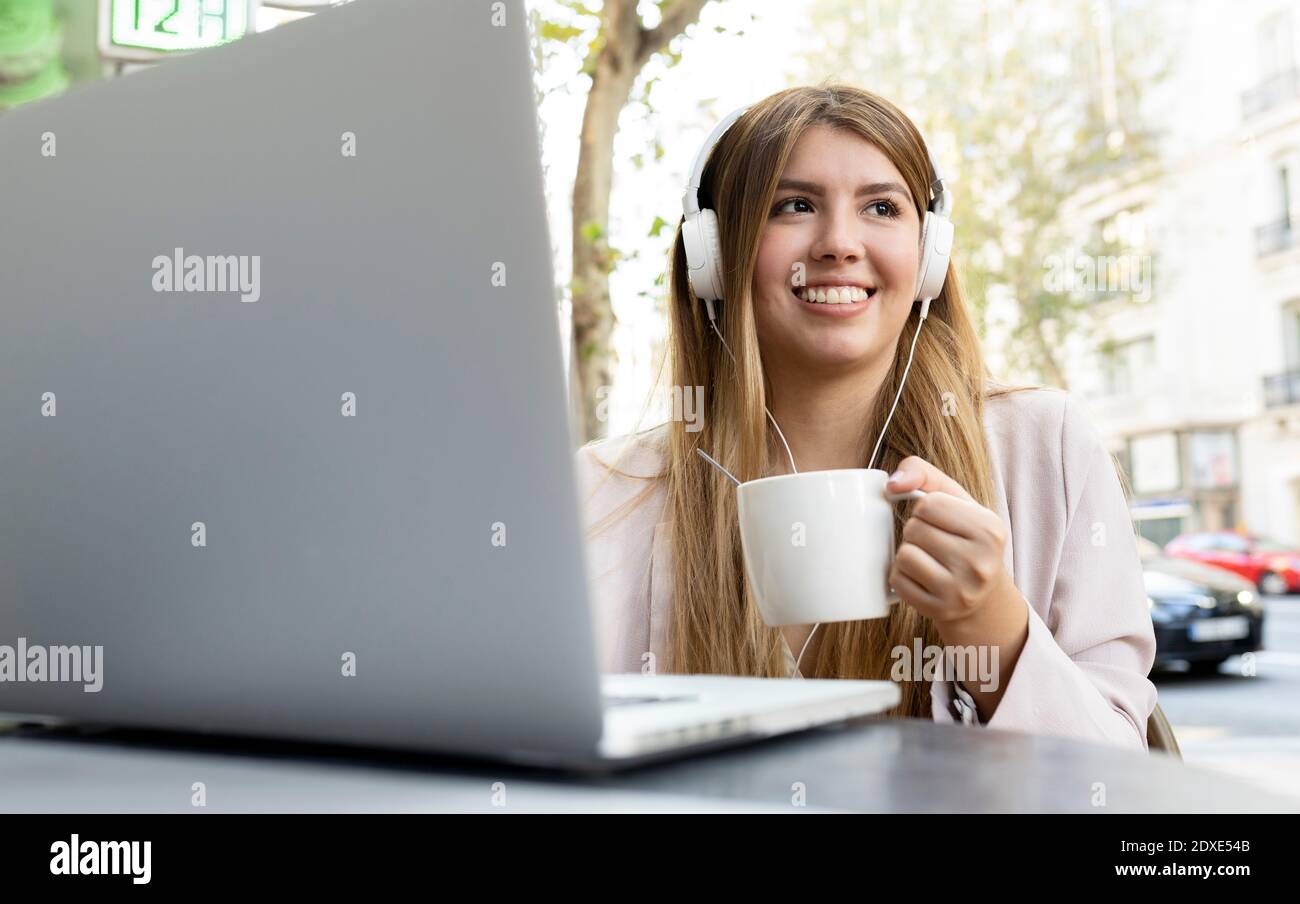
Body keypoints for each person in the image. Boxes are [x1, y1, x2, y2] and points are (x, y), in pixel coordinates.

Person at [575, 83, 1157, 751]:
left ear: (929, 254)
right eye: (794, 206)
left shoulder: (1044, 444)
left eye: (881, 207)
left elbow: (1116, 787)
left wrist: (993, 626)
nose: (839, 244)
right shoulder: (605, 490)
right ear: (714, 255)